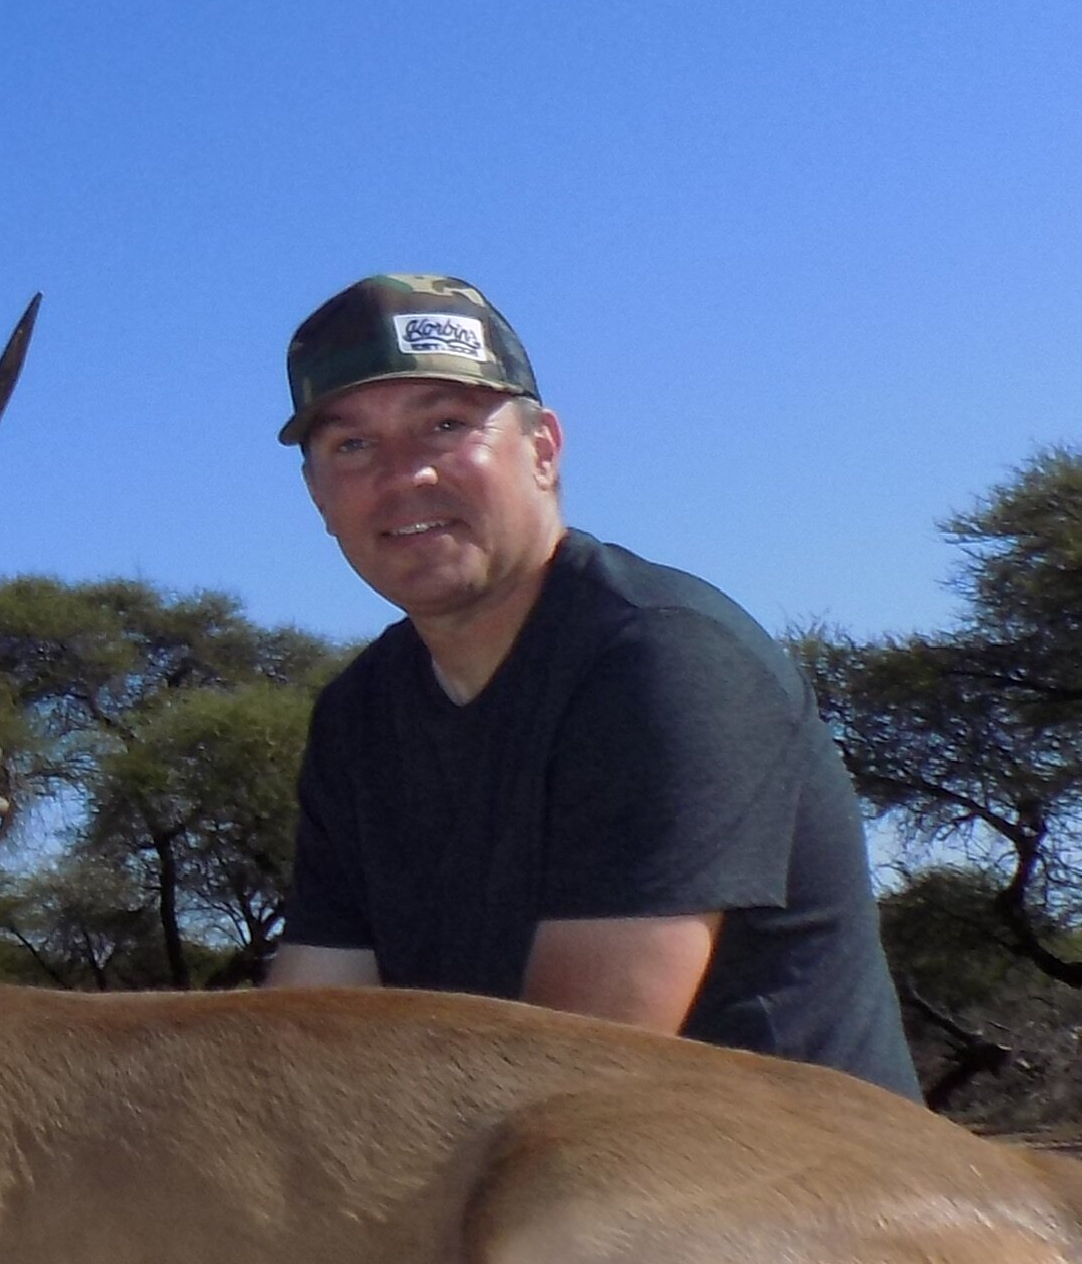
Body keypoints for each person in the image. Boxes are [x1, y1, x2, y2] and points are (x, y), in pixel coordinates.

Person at [260, 273, 918, 1097]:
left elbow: (568, 1078)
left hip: (790, 1199)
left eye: (446, 425)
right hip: (536, 1188)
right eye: (351, 445)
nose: (405, 476)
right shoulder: (359, 716)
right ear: (318, 494)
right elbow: (304, 1050)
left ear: (542, 450)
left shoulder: (663, 659)